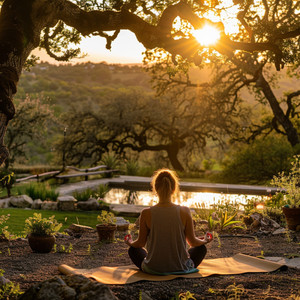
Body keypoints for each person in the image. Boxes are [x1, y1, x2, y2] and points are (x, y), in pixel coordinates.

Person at [125, 168, 213, 275]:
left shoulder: (146, 213)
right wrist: (205, 240)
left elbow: (140, 243)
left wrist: (129, 242)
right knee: (201, 249)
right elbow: (193, 242)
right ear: (173, 189)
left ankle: (155, 263)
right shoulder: (184, 211)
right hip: (180, 267)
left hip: (153, 268)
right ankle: (178, 263)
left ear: (155, 189)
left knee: (133, 250)